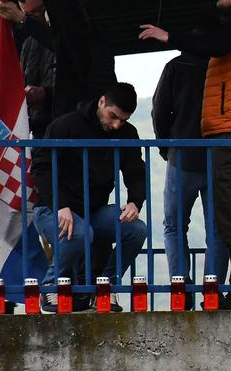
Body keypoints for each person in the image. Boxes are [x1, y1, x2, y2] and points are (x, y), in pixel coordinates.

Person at [138, 0, 231, 292]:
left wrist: (171, 37)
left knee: (184, 224)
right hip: (222, 142)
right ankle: (217, 288)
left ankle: (191, 288)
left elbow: (159, 109)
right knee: (222, 223)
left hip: (212, 144)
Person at [30, 82, 149, 309]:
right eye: (112, 116)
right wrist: (60, 205)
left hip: (93, 210)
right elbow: (41, 168)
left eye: (123, 120)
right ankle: (50, 287)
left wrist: (135, 201)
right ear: (102, 102)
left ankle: (106, 287)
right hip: (51, 208)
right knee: (79, 232)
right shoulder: (65, 126)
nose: (116, 125)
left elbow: (136, 172)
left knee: (136, 230)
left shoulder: (127, 133)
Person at [151, 27, 210, 295]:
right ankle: (213, 289)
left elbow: (160, 109)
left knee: (174, 225)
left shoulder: (176, 67)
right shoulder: (222, 66)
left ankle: (179, 287)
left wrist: (166, 146)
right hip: (218, 155)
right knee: (218, 228)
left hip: (182, 154)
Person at [0, 0, 56, 138]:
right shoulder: (28, 43)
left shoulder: (76, 37)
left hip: (67, 130)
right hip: (39, 131)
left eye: (39, 10)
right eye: (29, 15)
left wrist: (45, 94)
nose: (37, 17)